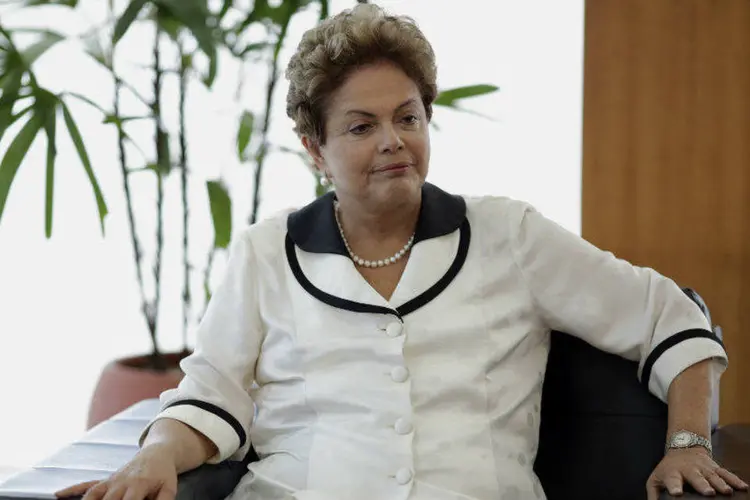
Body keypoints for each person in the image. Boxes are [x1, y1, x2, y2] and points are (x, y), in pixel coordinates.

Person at [57, 4, 747, 500]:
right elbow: (210, 398)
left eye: (408, 117)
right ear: (315, 149)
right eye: (361, 126)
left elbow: (671, 318)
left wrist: (687, 443)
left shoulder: (510, 235)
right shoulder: (267, 254)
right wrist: (156, 458)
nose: (393, 140)